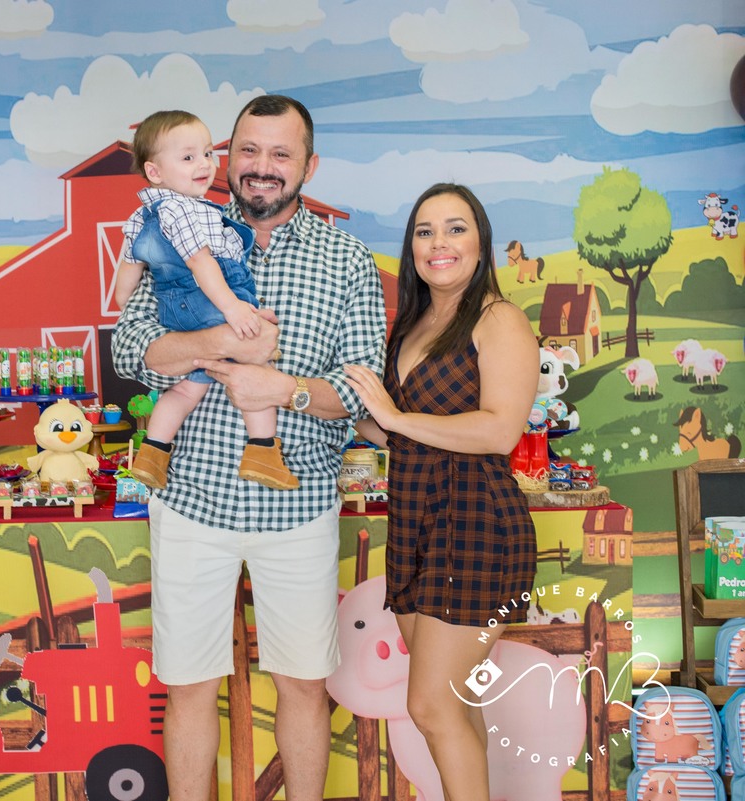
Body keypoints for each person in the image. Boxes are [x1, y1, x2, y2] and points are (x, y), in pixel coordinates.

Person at [113, 95, 387, 800]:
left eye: (281, 153)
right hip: (192, 503)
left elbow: (362, 389)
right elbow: (132, 348)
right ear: (227, 158)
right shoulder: (177, 224)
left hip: (298, 506)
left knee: (304, 683)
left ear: (308, 166)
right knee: (188, 686)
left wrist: (282, 388)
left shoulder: (347, 258)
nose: (262, 167)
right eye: (248, 150)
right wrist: (221, 339)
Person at [343, 183, 539, 801]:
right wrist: (331, 404)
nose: (439, 243)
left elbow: (500, 430)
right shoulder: (411, 323)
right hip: (417, 524)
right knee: (454, 706)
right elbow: (396, 431)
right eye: (425, 232)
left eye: (456, 228)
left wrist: (394, 418)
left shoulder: (498, 319)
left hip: (477, 524)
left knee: (430, 705)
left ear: (480, 243)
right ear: (412, 248)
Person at [115, 109, 297, 491]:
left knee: (185, 389)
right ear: (154, 172)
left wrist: (126, 302)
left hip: (174, 307)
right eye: (188, 157)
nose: (204, 164)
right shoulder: (186, 209)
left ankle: (152, 454)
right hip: (210, 295)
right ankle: (263, 451)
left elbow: (127, 275)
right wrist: (233, 311)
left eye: (208, 153)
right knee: (258, 365)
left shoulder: (140, 217)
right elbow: (202, 263)